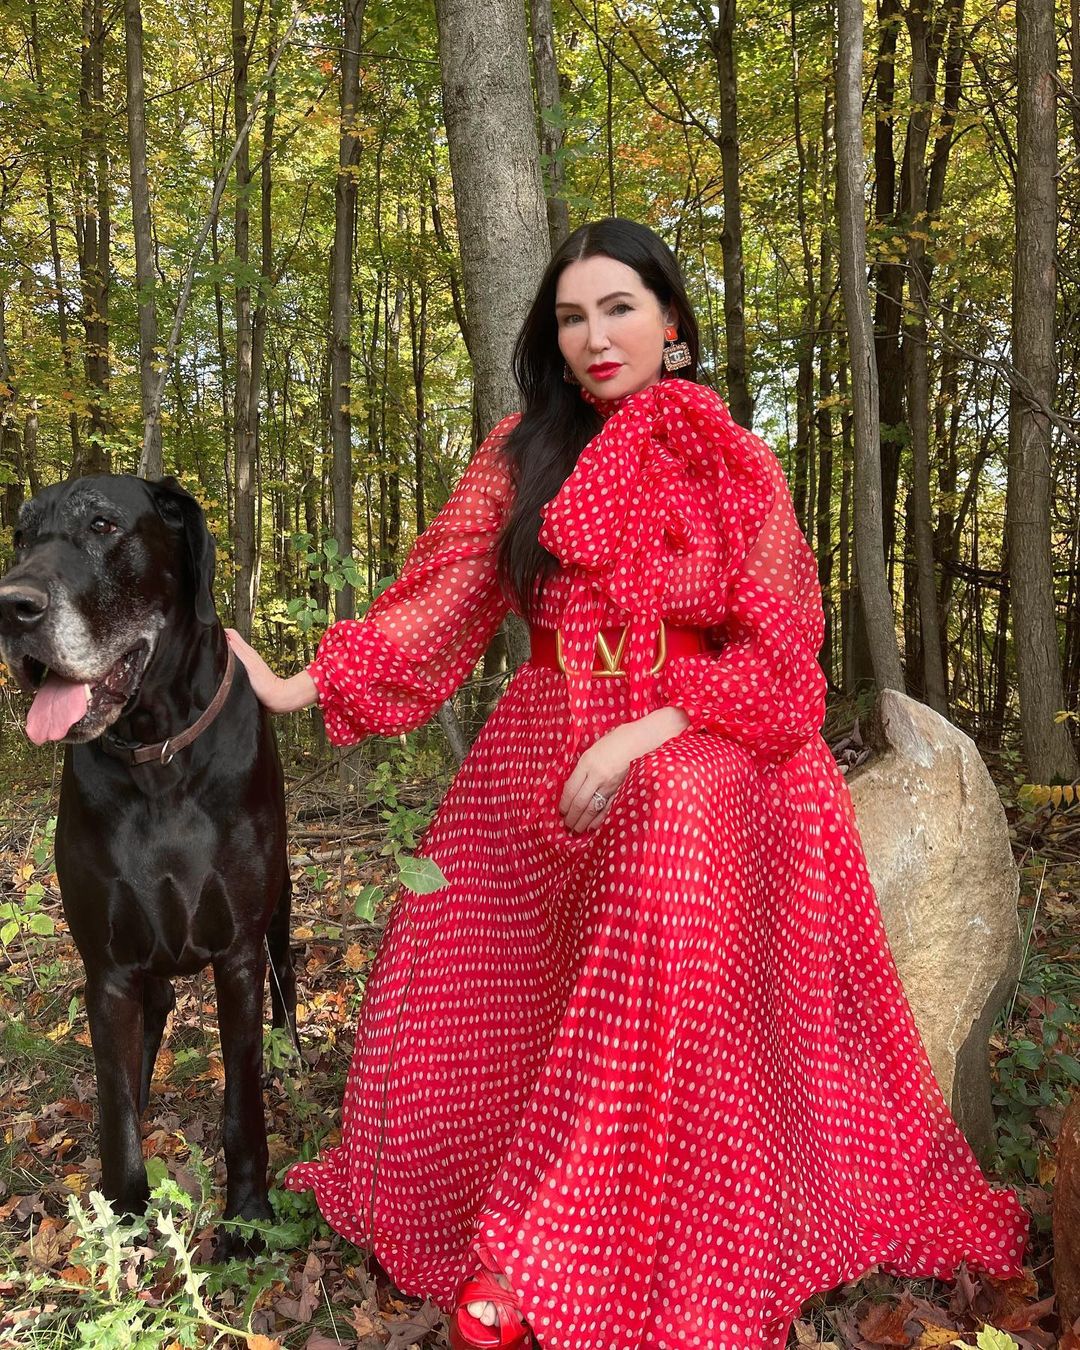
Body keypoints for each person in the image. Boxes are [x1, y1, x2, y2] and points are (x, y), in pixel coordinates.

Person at [226, 218, 1028, 1350]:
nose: (596, 337)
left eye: (619, 308)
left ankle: (555, 1243)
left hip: (710, 738)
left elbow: (782, 656)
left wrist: (640, 736)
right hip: (544, 731)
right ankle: (477, 1193)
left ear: (672, 323)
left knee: (666, 817)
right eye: (572, 317)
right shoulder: (521, 454)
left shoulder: (733, 462)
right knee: (444, 904)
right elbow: (439, 601)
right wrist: (294, 686)